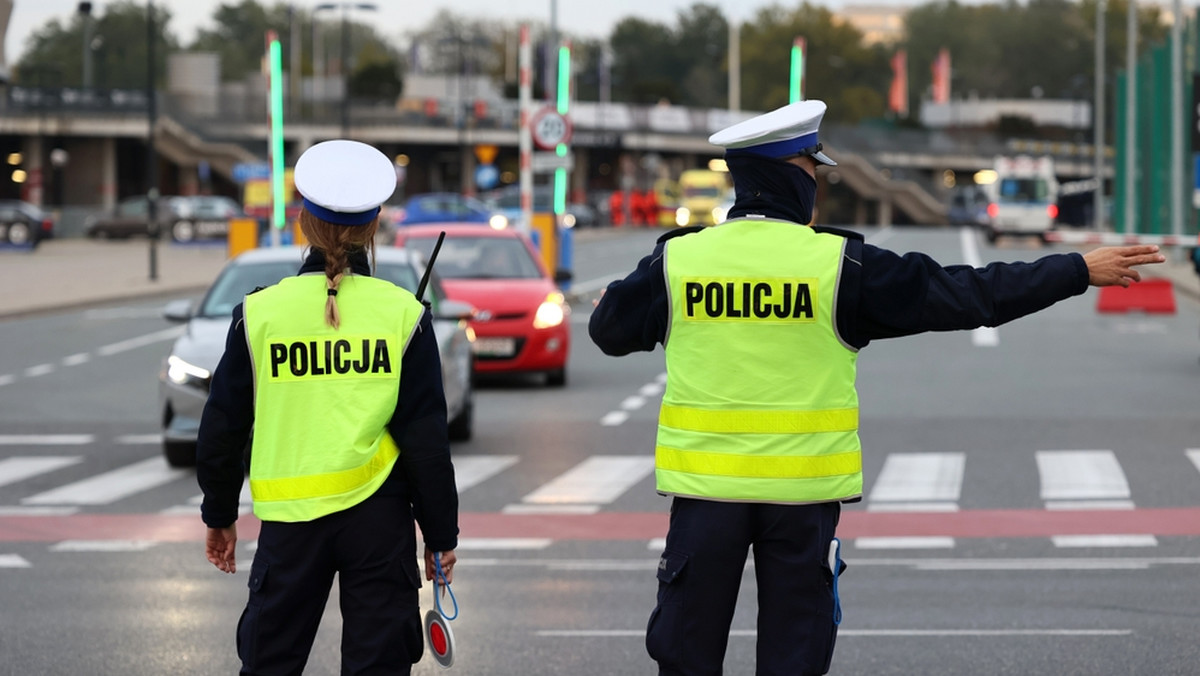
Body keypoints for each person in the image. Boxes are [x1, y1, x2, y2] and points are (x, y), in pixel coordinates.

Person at [588, 99, 1165, 676]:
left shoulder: (678, 262)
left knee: (686, 658)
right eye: (812, 168)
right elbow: (967, 294)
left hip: (704, 502)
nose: (816, 181)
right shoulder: (840, 266)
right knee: (794, 660)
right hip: (802, 503)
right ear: (790, 174)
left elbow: (608, 331)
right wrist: (1075, 270)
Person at [196, 139, 459, 675]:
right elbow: (426, 440)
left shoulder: (259, 313)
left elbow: (222, 425)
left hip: (291, 527)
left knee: (270, 663)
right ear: (374, 224)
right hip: (379, 523)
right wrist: (440, 538)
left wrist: (219, 516)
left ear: (302, 221)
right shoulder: (402, 315)